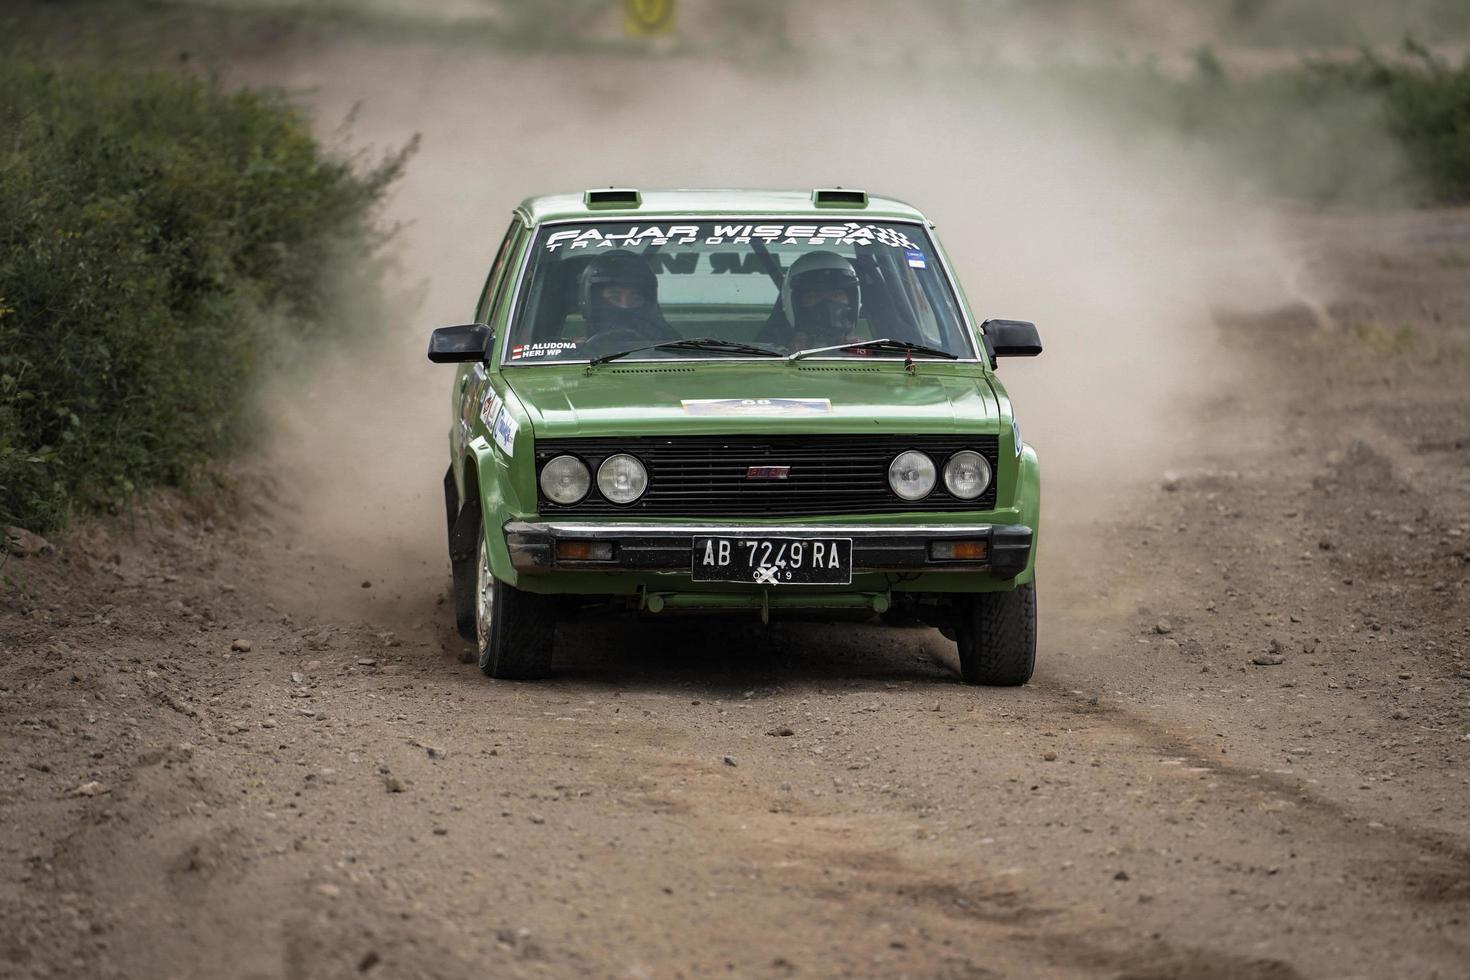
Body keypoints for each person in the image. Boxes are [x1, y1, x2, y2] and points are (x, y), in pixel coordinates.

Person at [761, 251, 863, 352]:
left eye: (836, 295)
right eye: (814, 296)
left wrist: (861, 353)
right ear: (795, 304)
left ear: (853, 300)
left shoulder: (869, 353)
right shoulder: (769, 357)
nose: (826, 304)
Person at [576, 250, 677, 342]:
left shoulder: (670, 345)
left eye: (635, 298)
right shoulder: (571, 353)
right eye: (614, 297)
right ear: (592, 300)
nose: (625, 305)